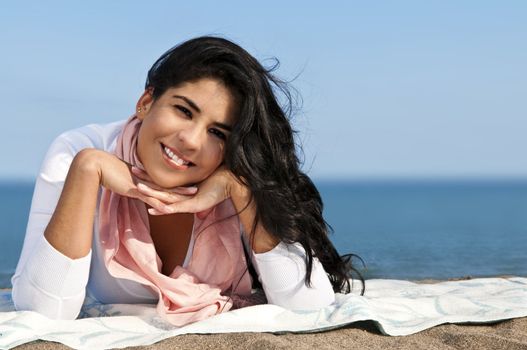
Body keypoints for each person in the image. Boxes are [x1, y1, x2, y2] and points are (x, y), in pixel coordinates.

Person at [11, 36, 363, 326]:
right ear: (146, 102)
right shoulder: (79, 151)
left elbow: (310, 306)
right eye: (183, 110)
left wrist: (240, 192)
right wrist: (88, 171)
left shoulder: (236, 174)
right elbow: (44, 312)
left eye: (217, 132)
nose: (193, 141)